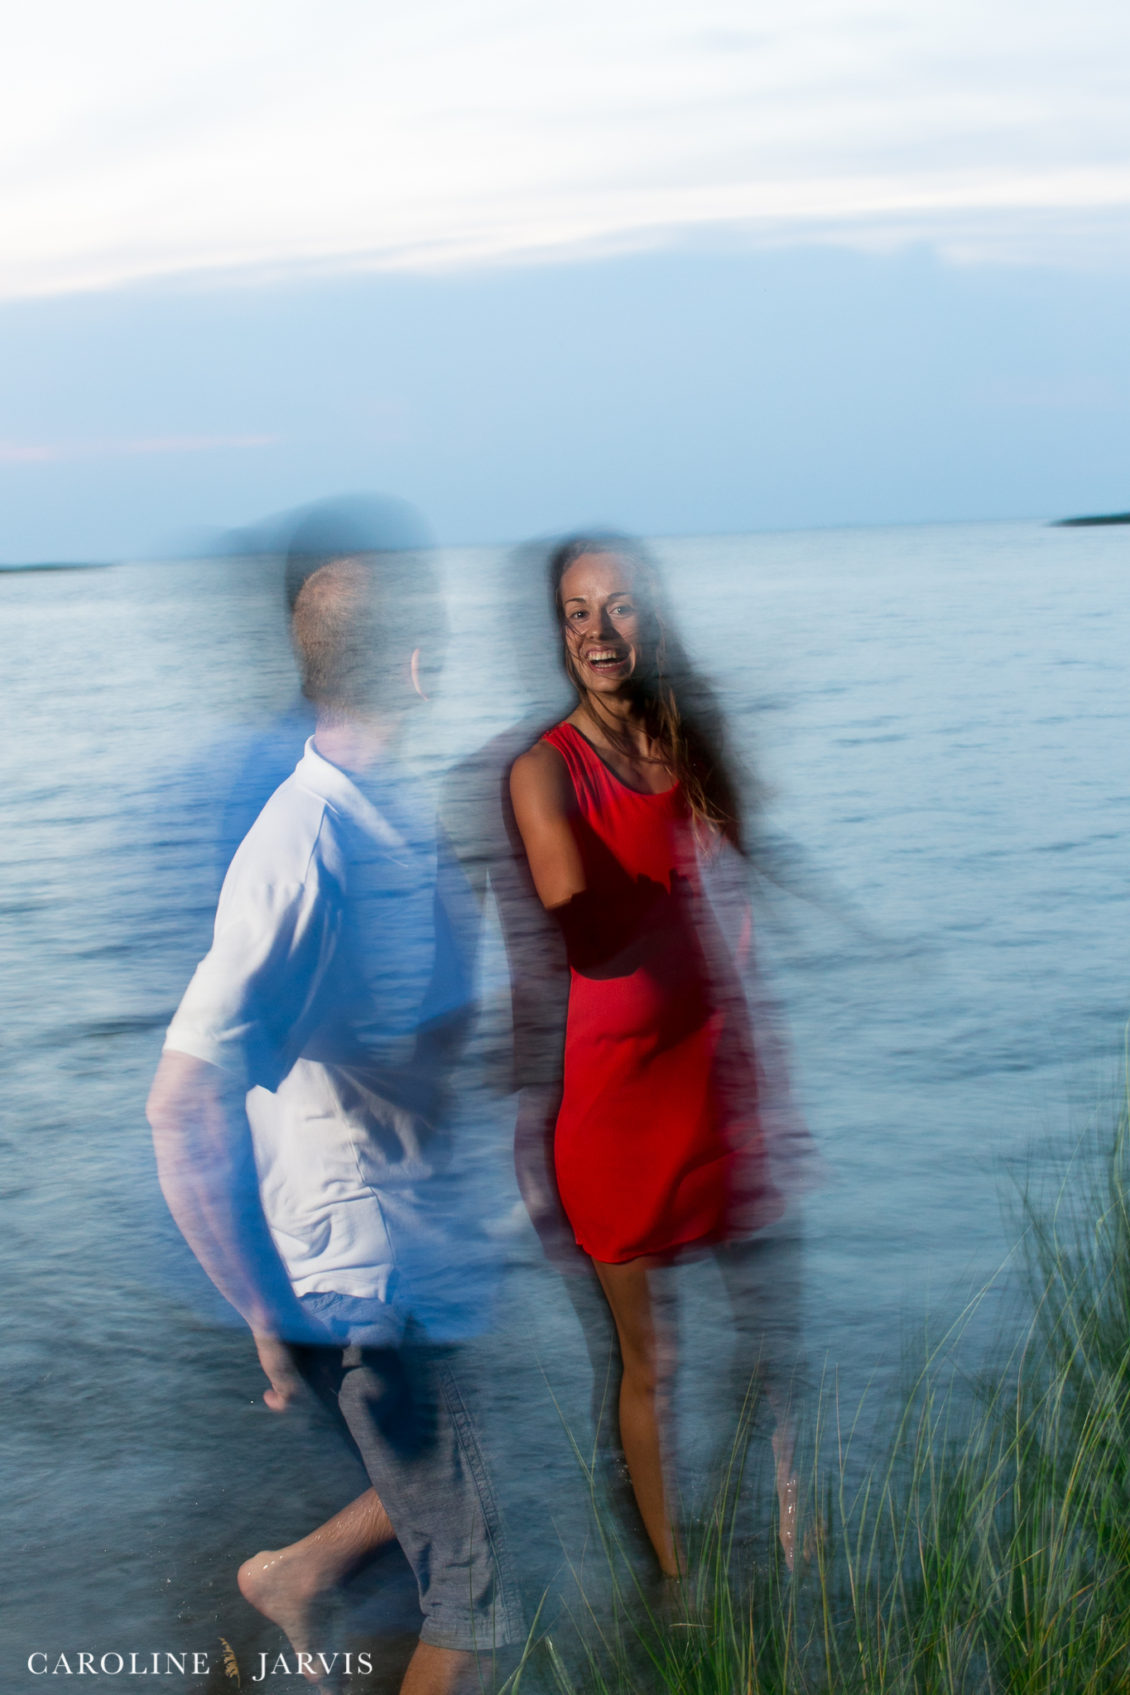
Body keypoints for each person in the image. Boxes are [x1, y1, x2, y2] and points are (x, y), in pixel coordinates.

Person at [148, 527, 524, 1694]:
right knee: (477, 1599)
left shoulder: (383, 818)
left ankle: (295, 1574)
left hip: (414, 1251)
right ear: (411, 663)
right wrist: (261, 1310)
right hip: (353, 1282)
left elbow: (399, 1040)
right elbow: (180, 1103)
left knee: (454, 1495)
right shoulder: (299, 848)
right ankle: (303, 1579)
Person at [508, 533, 801, 1579]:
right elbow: (568, 903)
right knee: (653, 1359)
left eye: (618, 606)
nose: (597, 630)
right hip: (614, 1103)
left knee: (767, 1324)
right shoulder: (541, 769)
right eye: (578, 612)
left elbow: (737, 878)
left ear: (649, 617)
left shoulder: (683, 740)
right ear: (558, 629)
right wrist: (593, 901)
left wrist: (736, 1005)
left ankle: (787, 1521)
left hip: (708, 1077)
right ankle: (678, 1584)